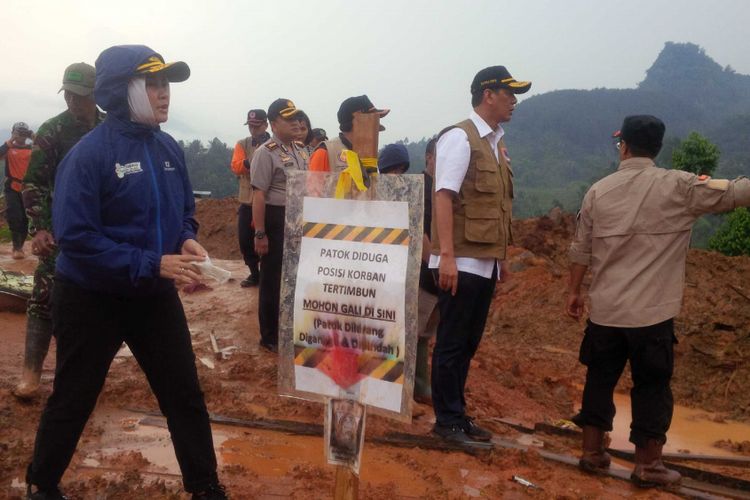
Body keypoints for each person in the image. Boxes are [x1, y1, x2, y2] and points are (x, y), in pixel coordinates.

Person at [25, 45, 227, 500]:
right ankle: (41, 484)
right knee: (75, 395)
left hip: (152, 297)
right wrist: (151, 262)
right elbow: (75, 236)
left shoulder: (168, 148)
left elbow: (182, 213)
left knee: (184, 393)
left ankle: (205, 486)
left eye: (166, 84)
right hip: (90, 298)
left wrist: (184, 240)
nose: (164, 94)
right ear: (119, 92)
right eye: (152, 84)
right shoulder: (89, 155)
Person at [567, 115, 750, 488]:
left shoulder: (598, 191)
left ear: (625, 146)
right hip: (652, 315)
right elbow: (734, 193)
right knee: (652, 386)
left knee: (599, 379)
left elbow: (580, 251)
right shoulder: (680, 186)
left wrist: (573, 292)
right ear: (658, 148)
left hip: (606, 312)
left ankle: (591, 452)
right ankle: (648, 465)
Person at [430, 66, 530, 443]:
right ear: (488, 94)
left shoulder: (494, 143)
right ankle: (447, 421)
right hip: (462, 262)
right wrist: (448, 257)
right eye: (509, 93)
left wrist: (500, 258)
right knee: (452, 342)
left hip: (483, 263)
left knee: (467, 344)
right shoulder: (460, 137)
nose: (513, 101)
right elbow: (443, 195)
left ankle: (457, 414)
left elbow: (497, 206)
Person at [13, 62, 105, 400]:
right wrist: (39, 228)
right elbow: (33, 182)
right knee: (44, 297)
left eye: (79, 95)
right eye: (67, 94)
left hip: (100, 233)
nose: (72, 101)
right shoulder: (52, 131)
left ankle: (82, 377)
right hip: (59, 233)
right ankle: (31, 373)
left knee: (94, 303)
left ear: (96, 94)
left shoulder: (110, 129)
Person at [251, 98, 309, 353]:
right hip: (275, 218)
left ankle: (289, 327)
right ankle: (269, 336)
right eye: (289, 118)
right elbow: (259, 195)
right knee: (272, 279)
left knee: (295, 277)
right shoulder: (266, 152)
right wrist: (260, 233)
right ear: (274, 123)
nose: (297, 122)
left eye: (297, 117)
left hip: (298, 218)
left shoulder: (299, 149)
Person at [230, 109, 269, 287]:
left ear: (266, 125)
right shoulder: (242, 144)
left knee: (270, 241)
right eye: (250, 126)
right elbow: (236, 166)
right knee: (245, 240)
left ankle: (270, 274)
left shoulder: (273, 144)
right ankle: (255, 273)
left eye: (257, 126)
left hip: (269, 202)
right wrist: (254, 159)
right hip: (247, 201)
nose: (253, 130)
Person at [308, 95, 388, 174]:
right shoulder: (325, 152)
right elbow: (312, 186)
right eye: (372, 119)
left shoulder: (369, 156)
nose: (375, 127)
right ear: (358, 119)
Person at [415, 138, 439, 404]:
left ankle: (422, 384)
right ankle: (417, 386)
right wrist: (433, 262)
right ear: (428, 157)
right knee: (418, 329)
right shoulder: (421, 187)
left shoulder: (443, 188)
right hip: (425, 269)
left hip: (439, 267)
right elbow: (418, 228)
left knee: (429, 328)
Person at [1, 122, 33, 259]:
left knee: (26, 218)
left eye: (23, 133)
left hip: (28, 187)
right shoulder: (8, 148)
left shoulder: (32, 148)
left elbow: (48, 152)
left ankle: (20, 244)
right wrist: (11, 140)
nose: (21, 136)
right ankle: (17, 247)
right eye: (19, 132)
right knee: (15, 216)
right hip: (12, 187)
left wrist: (34, 137)